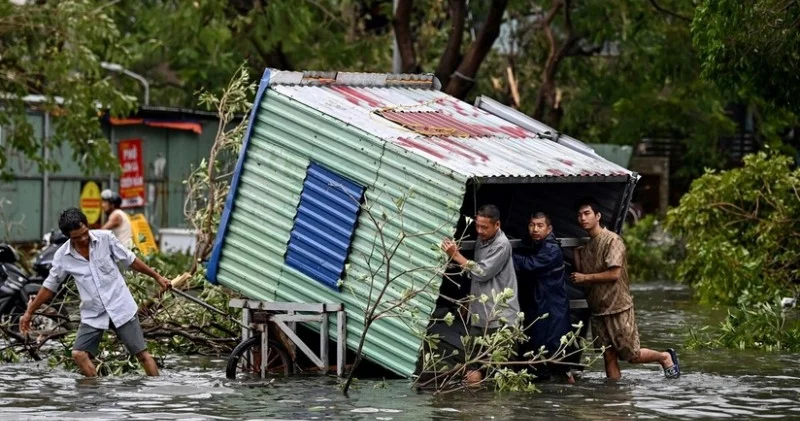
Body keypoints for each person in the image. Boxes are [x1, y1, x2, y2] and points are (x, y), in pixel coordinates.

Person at [20, 208, 172, 377]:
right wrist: (29, 312)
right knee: (79, 354)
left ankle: (157, 395)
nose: (83, 239)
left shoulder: (105, 238)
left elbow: (131, 261)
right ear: (68, 237)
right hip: (94, 313)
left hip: (120, 306)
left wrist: (157, 277)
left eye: (85, 233)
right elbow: (49, 287)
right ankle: (97, 395)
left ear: (87, 226)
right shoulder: (63, 256)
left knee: (142, 355)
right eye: (77, 237)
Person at [570, 197, 680, 380]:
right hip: (598, 309)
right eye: (579, 215)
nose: (583, 218)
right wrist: (577, 256)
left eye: (587, 213)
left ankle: (664, 357)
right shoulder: (587, 247)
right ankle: (614, 397)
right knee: (608, 356)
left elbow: (614, 274)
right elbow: (583, 278)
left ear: (598, 216)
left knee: (632, 355)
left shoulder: (613, 240)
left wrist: (585, 277)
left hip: (617, 306)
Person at [441, 204, 520, 383]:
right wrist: (471, 300)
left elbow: (482, 272)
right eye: (477, 226)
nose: (480, 230)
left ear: (497, 225)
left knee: (503, 373)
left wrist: (456, 255)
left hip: (501, 319)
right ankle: (475, 409)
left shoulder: (501, 244)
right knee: (473, 367)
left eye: (484, 227)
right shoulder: (482, 240)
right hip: (480, 316)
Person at [512, 212, 572, 381]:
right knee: (539, 350)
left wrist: (506, 255)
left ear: (549, 228)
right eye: (532, 225)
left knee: (554, 354)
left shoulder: (551, 249)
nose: (535, 229)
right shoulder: (535, 244)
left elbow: (530, 265)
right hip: (541, 306)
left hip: (552, 308)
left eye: (540, 225)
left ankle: (566, 385)